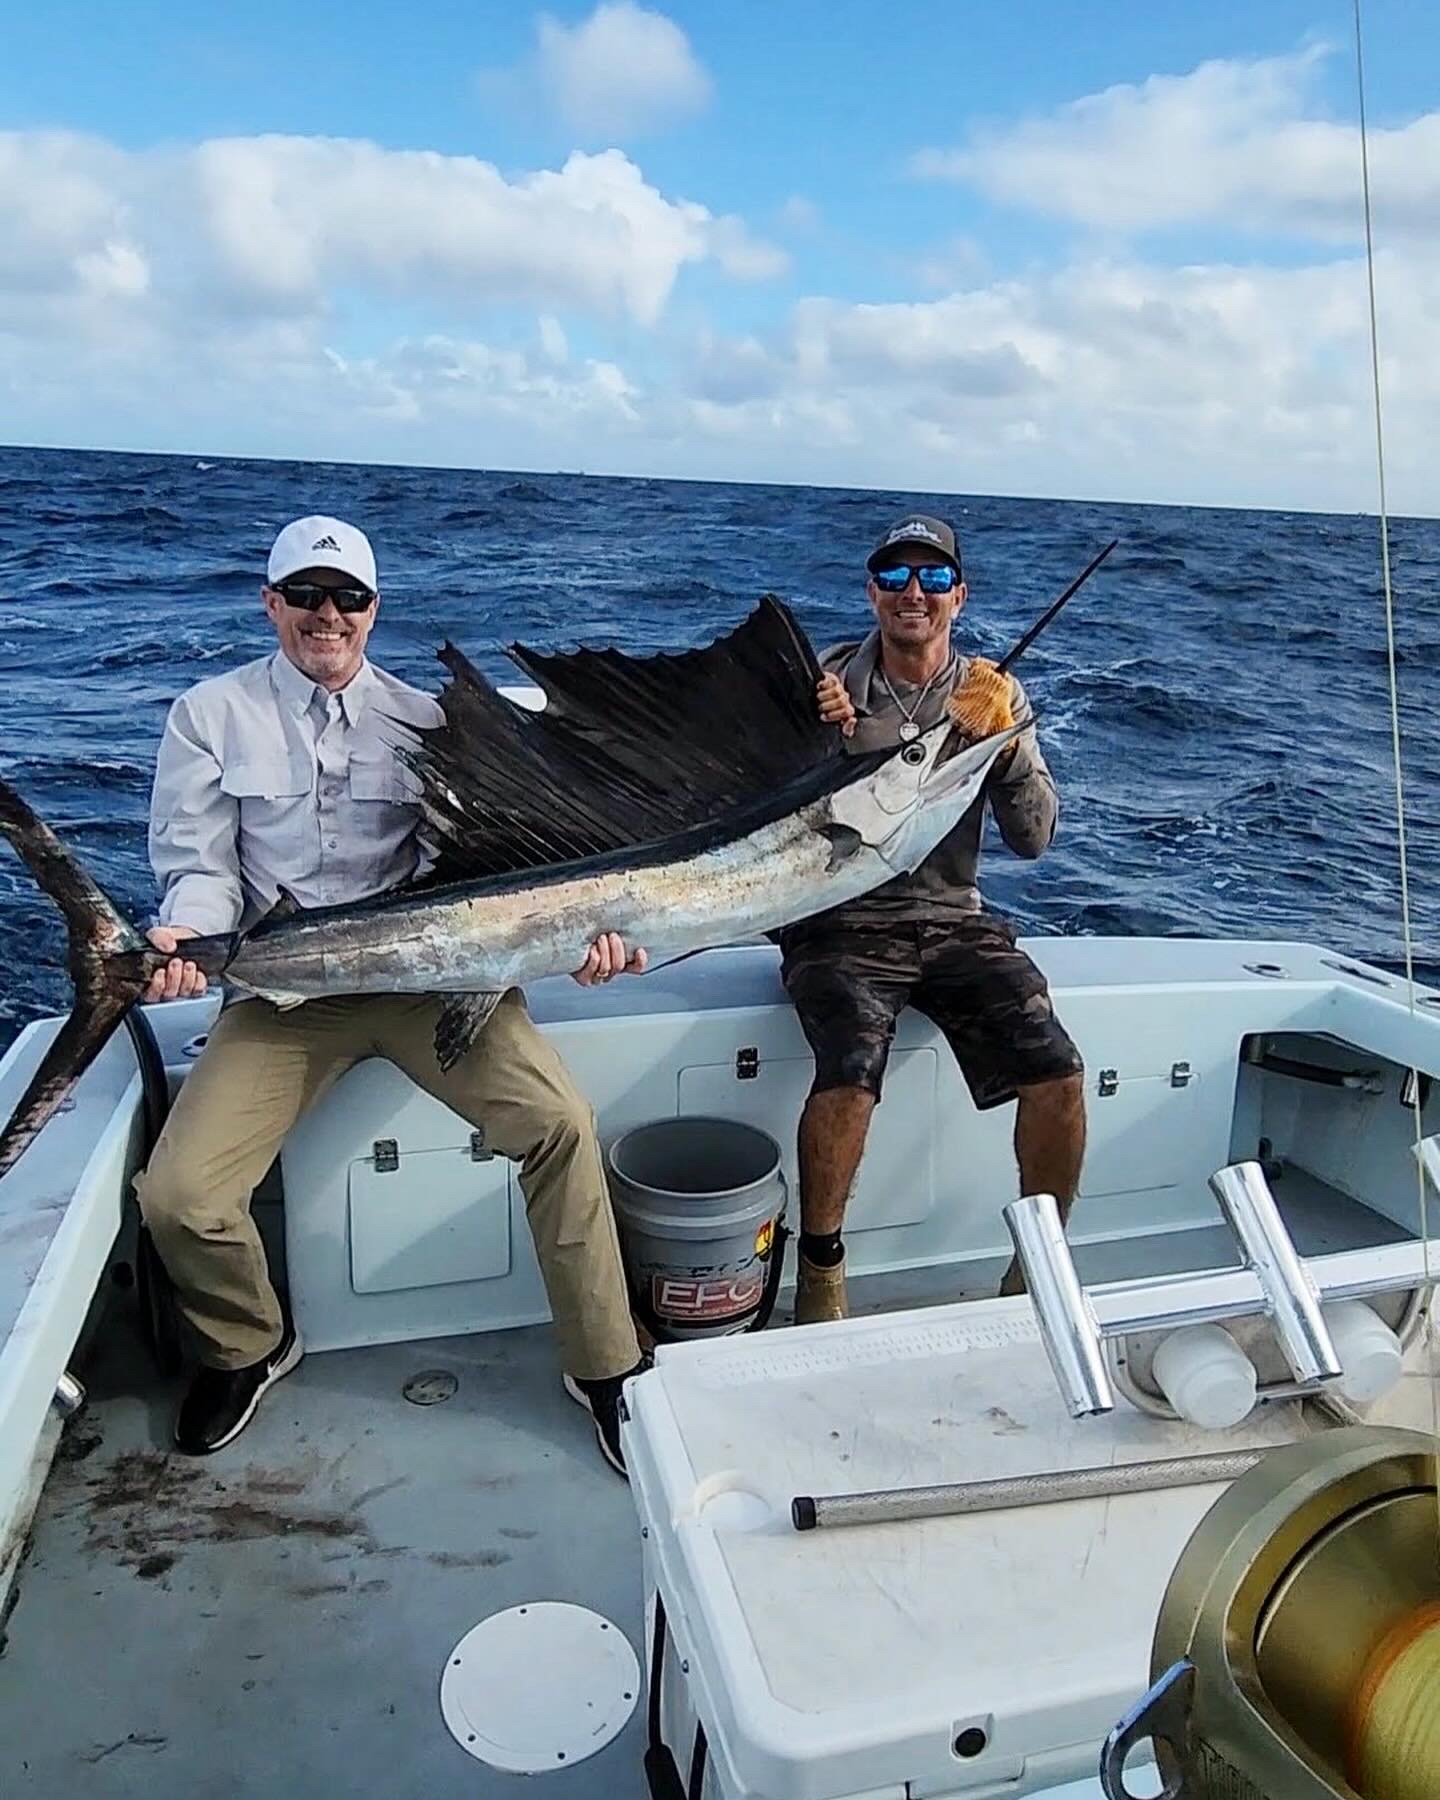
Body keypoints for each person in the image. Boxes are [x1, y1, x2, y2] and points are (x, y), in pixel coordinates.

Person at [136, 514, 647, 1471]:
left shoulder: (427, 722)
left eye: (348, 599)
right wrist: (186, 935)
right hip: (283, 992)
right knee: (178, 1195)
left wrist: (588, 937)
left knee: (561, 1123)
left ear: (375, 611)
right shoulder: (209, 715)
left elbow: (493, 873)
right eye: (305, 597)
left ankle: (605, 1366)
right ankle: (250, 1347)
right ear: (271, 602)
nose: (326, 617)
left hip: (432, 980)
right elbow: (199, 867)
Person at [784, 512, 1086, 1323]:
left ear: (960, 595)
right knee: (850, 1070)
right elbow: (765, 808)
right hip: (840, 922)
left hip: (955, 920)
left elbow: (1035, 841)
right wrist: (815, 740)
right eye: (893, 576)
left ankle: (1041, 1266)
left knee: (1056, 1070)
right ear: (871, 591)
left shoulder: (993, 693)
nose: (912, 592)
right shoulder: (826, 682)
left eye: (933, 577)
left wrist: (1011, 745)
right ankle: (820, 1277)